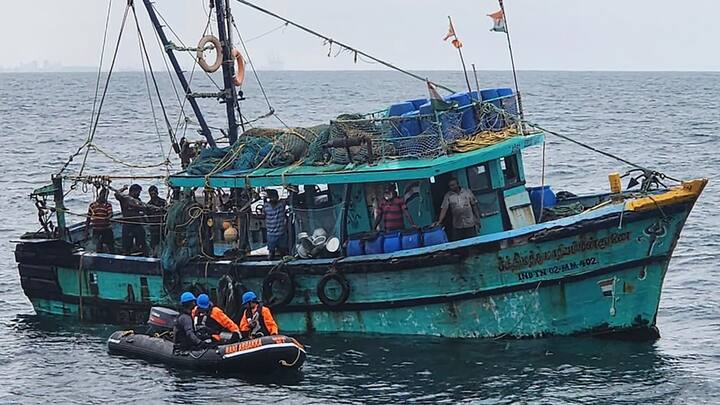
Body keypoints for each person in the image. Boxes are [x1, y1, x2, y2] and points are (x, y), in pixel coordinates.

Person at [115, 184, 148, 256]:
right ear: (133, 191)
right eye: (138, 192)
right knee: (127, 245)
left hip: (137, 224)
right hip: (128, 224)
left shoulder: (138, 200)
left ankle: (144, 255)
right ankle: (127, 255)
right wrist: (123, 188)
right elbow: (116, 194)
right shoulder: (124, 198)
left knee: (142, 242)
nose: (139, 194)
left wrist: (142, 213)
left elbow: (143, 209)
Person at [85, 188, 114, 253]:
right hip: (96, 230)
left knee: (110, 246)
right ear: (100, 194)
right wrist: (86, 230)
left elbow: (110, 214)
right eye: (103, 195)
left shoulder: (108, 205)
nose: (104, 197)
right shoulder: (92, 205)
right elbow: (88, 218)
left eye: (106, 196)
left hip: (106, 229)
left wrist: (108, 217)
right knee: (97, 246)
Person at [263, 189, 287, 259]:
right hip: (273, 234)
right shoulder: (281, 204)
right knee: (273, 252)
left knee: (281, 252)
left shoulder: (266, 206)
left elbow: (263, 214)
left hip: (278, 234)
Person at [146, 185, 167, 255]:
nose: (153, 195)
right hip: (154, 226)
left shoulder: (163, 202)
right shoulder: (149, 204)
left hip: (162, 225)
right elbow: (148, 215)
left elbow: (167, 212)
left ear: (157, 193)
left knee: (165, 240)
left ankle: (165, 253)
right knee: (154, 242)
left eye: (154, 193)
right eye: (151, 194)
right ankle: (154, 254)